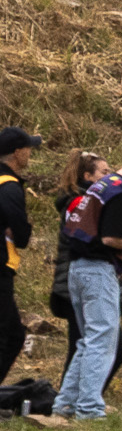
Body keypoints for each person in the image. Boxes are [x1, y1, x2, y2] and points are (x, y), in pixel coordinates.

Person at [49, 145, 122, 423]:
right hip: (97, 271)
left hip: (77, 268)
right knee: (102, 342)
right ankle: (89, 409)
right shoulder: (121, 189)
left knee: (87, 342)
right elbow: (110, 238)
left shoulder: (101, 186)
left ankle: (65, 405)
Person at [0, 125, 29, 382]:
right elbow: (22, 235)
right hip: (1, 269)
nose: (30, 153)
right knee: (10, 336)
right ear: (17, 152)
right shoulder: (9, 186)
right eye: (28, 148)